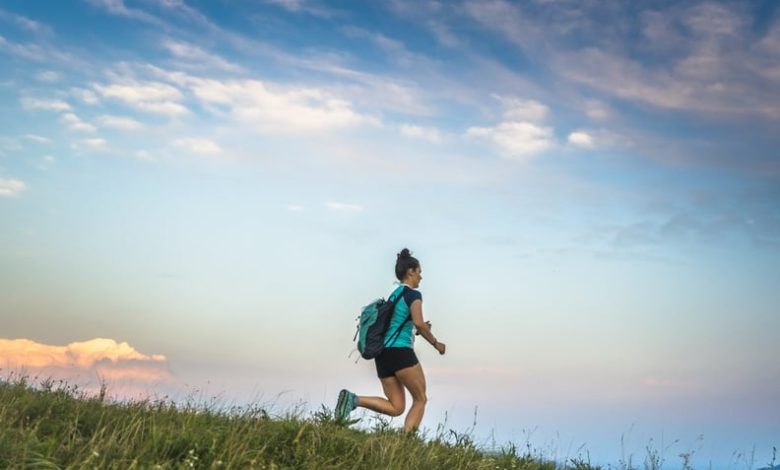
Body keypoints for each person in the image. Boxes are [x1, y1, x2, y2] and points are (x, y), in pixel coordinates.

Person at [336, 248, 446, 432]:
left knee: (397, 407)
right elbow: (419, 323)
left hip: (383, 356)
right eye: (419, 272)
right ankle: (406, 444)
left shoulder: (394, 295)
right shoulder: (413, 295)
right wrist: (436, 343)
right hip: (400, 353)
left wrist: (417, 328)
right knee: (420, 399)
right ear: (410, 271)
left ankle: (353, 400)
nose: (421, 277)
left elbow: (398, 324)